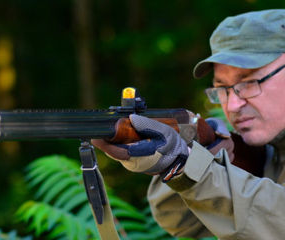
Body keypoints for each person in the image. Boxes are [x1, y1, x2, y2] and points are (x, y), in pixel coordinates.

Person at [92, 9, 285, 240]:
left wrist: (189, 167)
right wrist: (194, 156)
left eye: (250, 82)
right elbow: (183, 223)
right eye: (221, 89)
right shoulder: (271, 151)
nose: (232, 105)